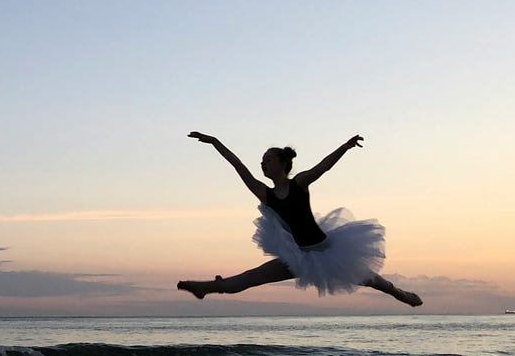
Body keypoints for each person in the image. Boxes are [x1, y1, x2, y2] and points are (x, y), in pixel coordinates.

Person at [177, 132, 421, 307]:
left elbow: (323, 167)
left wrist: (345, 147)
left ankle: (400, 293)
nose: (263, 164)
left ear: (283, 164)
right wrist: (216, 143)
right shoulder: (265, 193)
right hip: (297, 255)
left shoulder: (299, 183)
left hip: (327, 252)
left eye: (268, 160)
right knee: (250, 277)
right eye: (261, 162)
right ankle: (204, 288)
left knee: (373, 280)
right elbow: (238, 166)